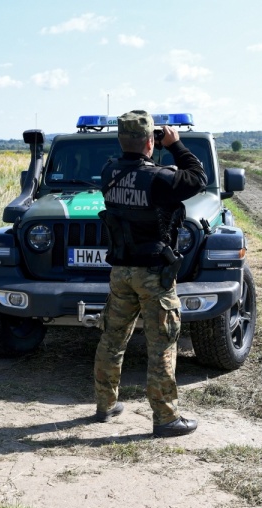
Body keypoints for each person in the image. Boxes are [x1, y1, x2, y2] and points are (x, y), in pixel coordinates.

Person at [93, 110, 207, 437]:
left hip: (121, 271)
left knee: (112, 339)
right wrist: (176, 145)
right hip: (154, 275)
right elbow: (197, 178)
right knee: (162, 344)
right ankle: (167, 418)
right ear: (149, 142)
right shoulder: (160, 179)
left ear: (120, 139)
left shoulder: (108, 173)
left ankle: (105, 404)